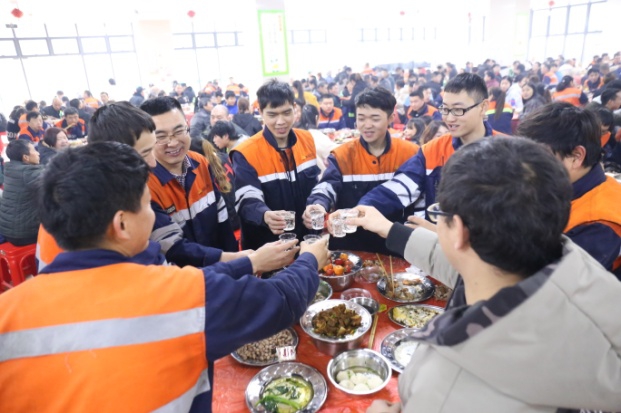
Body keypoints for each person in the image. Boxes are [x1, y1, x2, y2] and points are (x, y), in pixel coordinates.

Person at [0, 141, 330, 413]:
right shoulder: (180, 298)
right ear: (122, 225)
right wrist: (309, 260)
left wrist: (250, 261)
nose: (154, 217)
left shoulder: (8, 312)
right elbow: (280, 300)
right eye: (148, 206)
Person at [351, 137, 621, 413]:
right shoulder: (577, 268)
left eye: (440, 213)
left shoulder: (448, 387)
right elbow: (469, 264)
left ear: (458, 231)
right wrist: (389, 229)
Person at [36, 102, 273, 272]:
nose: (151, 163)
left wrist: (237, 263)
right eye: (145, 152)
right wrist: (243, 263)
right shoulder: (97, 207)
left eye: (179, 130)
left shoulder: (198, 163)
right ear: (110, 153)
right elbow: (165, 260)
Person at [357, 73, 495, 221]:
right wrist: (362, 209)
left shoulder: (507, 152)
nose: (449, 118)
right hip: (437, 235)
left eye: (458, 110)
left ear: (483, 107)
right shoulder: (432, 150)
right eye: (445, 109)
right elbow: (399, 188)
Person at [305, 87, 418, 254]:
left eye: (375, 118)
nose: (367, 125)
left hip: (395, 244)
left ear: (390, 118)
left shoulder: (410, 154)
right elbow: (328, 184)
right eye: (361, 118)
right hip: (351, 246)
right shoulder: (343, 154)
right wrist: (318, 203)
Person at [518, 102, 621, 279]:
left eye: (537, 157)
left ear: (576, 156)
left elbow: (552, 284)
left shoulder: (600, 224)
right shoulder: (565, 187)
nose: (525, 166)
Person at [140, 97, 238, 255]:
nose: (173, 143)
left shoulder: (200, 162)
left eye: (179, 131)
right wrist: (227, 261)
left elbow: (222, 219)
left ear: (187, 125)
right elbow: (172, 248)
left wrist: (236, 260)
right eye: (161, 136)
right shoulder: (145, 184)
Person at [231, 79, 321, 250]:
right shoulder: (246, 152)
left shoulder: (307, 140)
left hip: (307, 241)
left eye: (286, 113)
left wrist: (318, 204)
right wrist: (264, 215)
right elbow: (246, 198)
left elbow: (315, 184)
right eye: (272, 115)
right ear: (260, 112)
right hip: (269, 246)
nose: (281, 122)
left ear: (295, 108)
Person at [0, 139, 43, 245]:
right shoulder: (27, 172)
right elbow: (55, 179)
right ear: (25, 157)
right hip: (23, 234)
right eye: (34, 150)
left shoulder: (12, 168)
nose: (38, 153)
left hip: (8, 229)